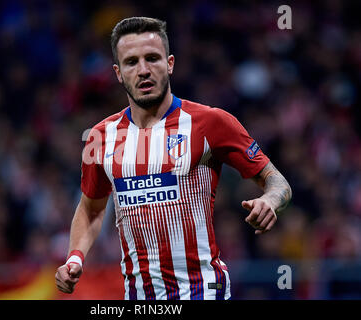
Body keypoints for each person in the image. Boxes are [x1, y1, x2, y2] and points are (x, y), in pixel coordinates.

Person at [55, 17, 292, 300]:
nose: (143, 70)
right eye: (132, 62)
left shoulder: (210, 123)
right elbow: (91, 209)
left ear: (170, 64)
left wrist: (270, 200)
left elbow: (278, 182)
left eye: (152, 58)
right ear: (118, 73)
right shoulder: (100, 136)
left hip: (202, 291)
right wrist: (75, 259)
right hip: (139, 296)